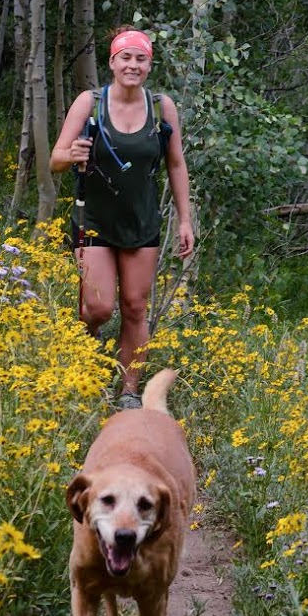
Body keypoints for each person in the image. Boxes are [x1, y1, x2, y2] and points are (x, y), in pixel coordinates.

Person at [50, 27, 194, 406]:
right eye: (125, 57)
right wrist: (74, 154)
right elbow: (56, 159)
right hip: (94, 217)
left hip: (140, 223)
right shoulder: (90, 102)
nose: (133, 65)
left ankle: (129, 392)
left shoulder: (161, 106)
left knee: (134, 306)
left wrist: (184, 220)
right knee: (96, 307)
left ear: (149, 65)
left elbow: (176, 165)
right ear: (112, 62)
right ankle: (89, 360)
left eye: (140, 58)